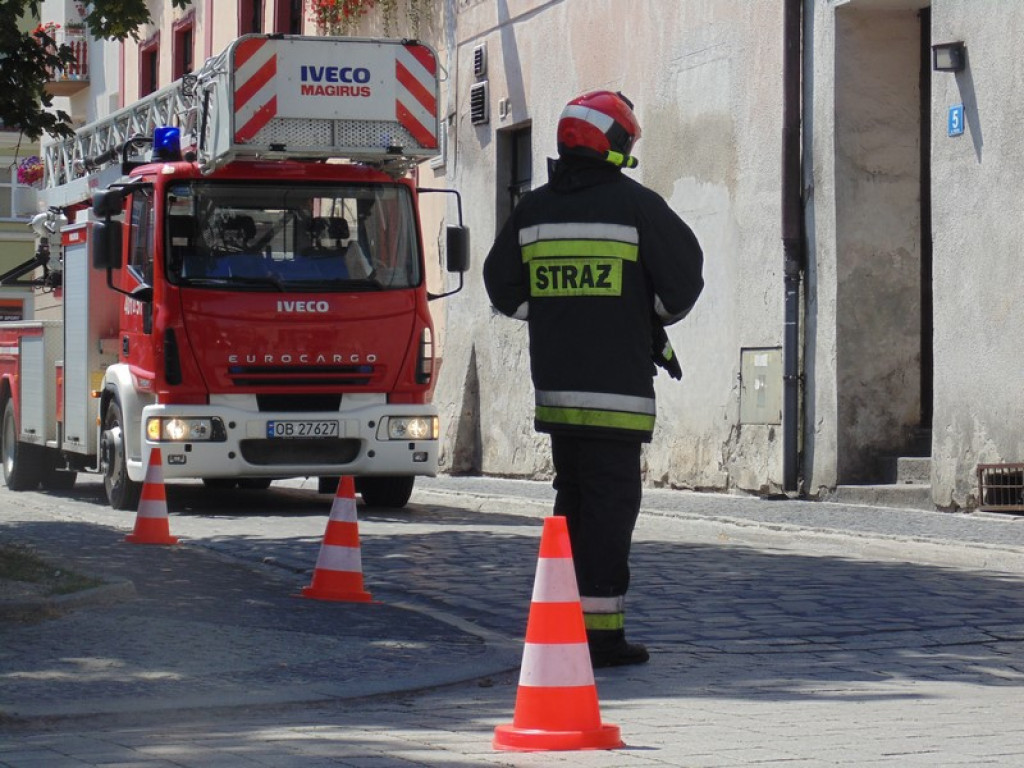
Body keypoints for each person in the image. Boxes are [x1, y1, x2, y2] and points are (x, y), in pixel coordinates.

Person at [483, 90, 704, 668]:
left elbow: (502, 288)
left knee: (572, 505)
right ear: (614, 144)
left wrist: (559, 314)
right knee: (608, 512)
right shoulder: (637, 207)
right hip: (617, 398)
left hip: (557, 395)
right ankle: (600, 637)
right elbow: (684, 283)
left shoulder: (531, 211)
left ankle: (562, 619)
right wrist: (643, 318)